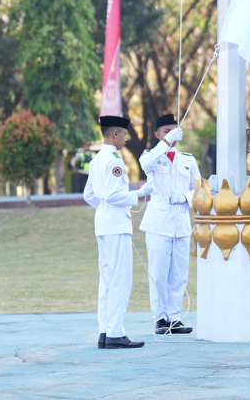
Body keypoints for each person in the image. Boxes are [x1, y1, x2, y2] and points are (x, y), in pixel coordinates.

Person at [83, 116, 153, 349]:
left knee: (108, 280)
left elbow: (89, 195)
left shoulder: (96, 160)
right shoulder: (114, 160)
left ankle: (105, 331)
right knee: (120, 280)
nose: (125, 138)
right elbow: (112, 196)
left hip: (104, 223)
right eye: (123, 134)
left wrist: (105, 208)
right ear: (115, 134)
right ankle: (115, 332)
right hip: (115, 224)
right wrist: (139, 194)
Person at [138, 114, 199, 335]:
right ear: (157, 134)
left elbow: (198, 190)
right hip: (158, 224)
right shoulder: (151, 156)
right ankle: (160, 318)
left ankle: (174, 318)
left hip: (181, 223)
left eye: (174, 131)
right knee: (159, 273)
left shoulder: (187, 160)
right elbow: (145, 163)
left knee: (179, 274)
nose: (172, 135)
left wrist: (184, 198)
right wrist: (165, 143)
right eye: (166, 131)